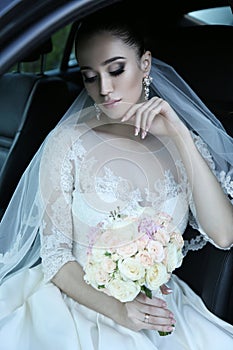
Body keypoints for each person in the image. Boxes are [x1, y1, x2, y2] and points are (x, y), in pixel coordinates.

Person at [0, 4, 233, 350]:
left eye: (116, 70)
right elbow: (56, 258)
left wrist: (179, 135)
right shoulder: (67, 143)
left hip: (162, 313)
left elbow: (225, 235)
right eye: (90, 76)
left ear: (146, 65)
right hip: (74, 306)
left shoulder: (183, 144)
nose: (105, 89)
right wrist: (120, 311)